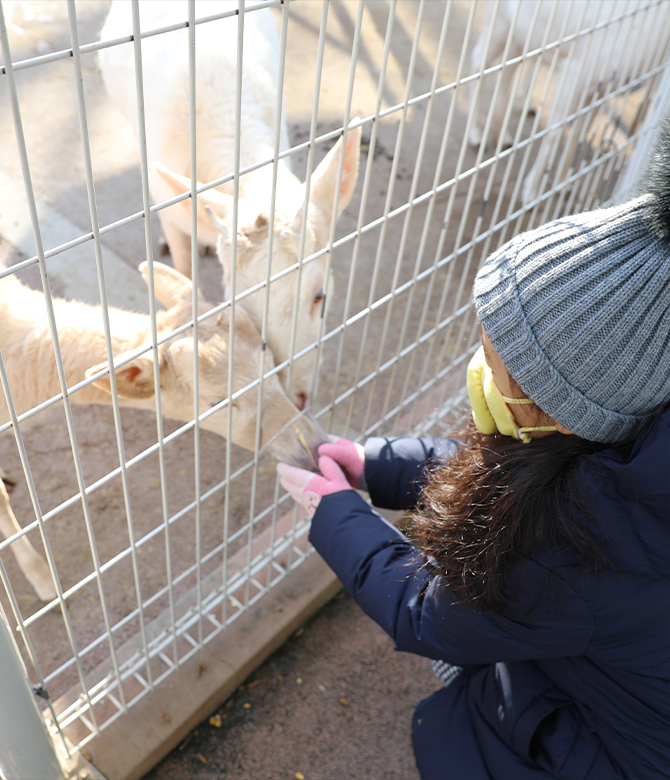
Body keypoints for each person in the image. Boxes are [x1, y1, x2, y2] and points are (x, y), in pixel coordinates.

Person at [276, 122, 670, 780]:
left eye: (499, 364)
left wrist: (333, 513)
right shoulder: (622, 441)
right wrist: (375, 465)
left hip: (635, 760)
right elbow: (505, 473)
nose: (479, 371)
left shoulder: (585, 552)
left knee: (459, 727)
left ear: (567, 410)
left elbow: (427, 613)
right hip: (634, 671)